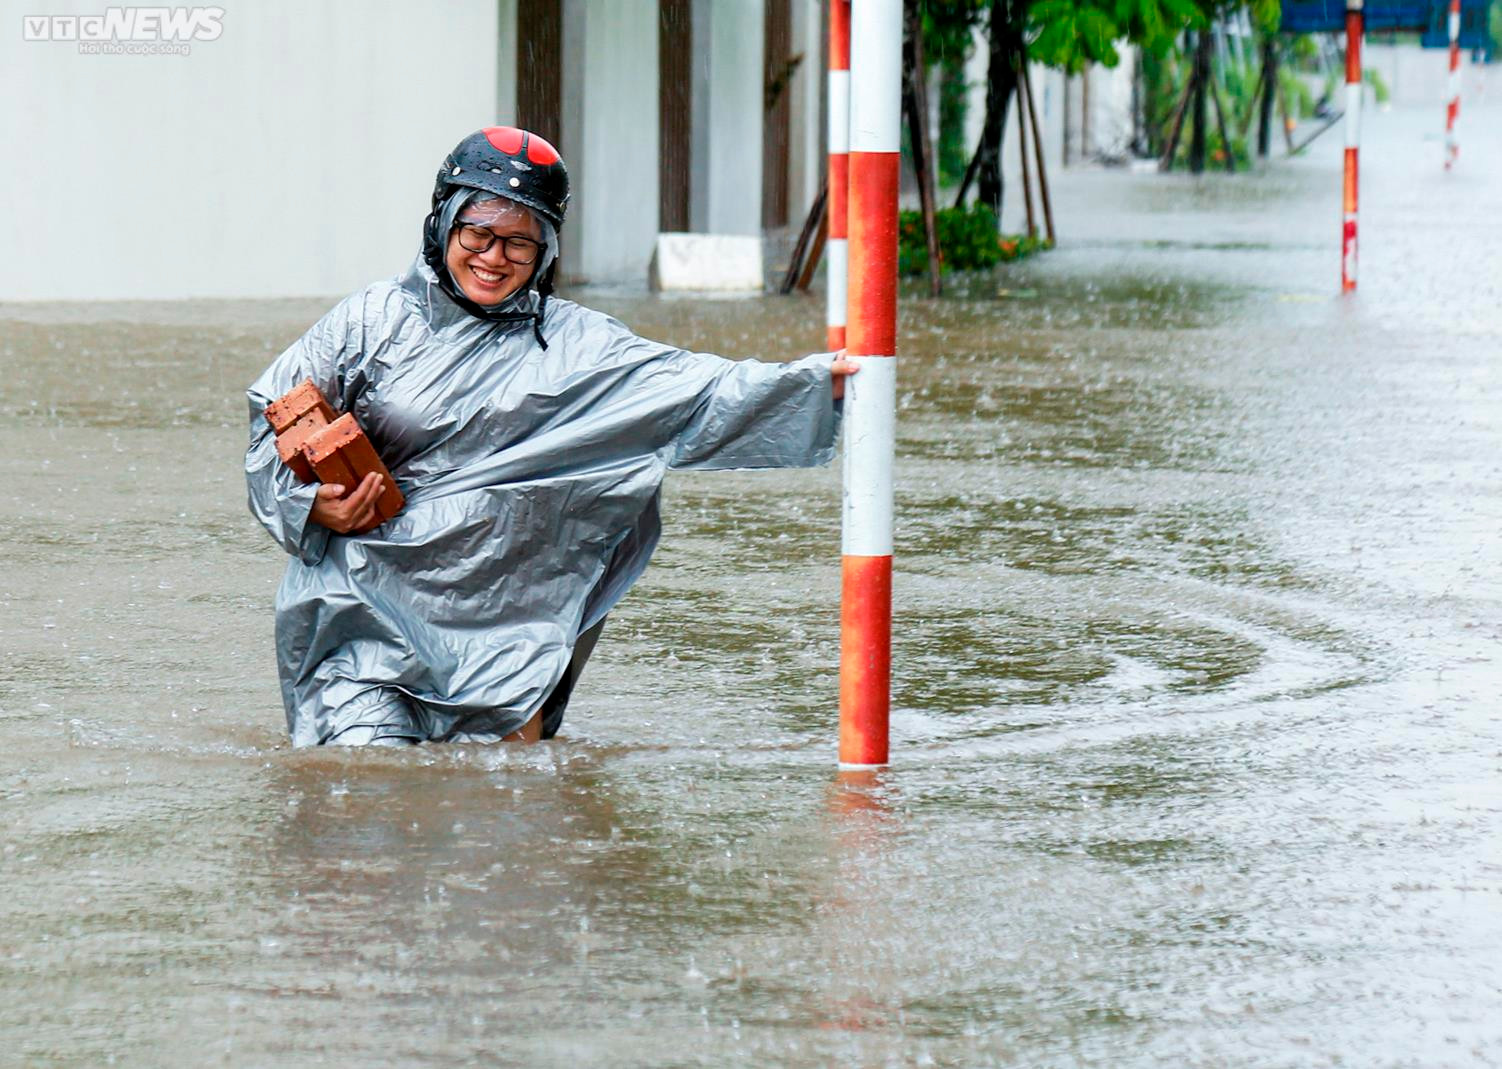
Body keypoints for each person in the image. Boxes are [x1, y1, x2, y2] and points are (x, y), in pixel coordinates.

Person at [246, 126, 855, 747]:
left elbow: (699, 389)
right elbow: (270, 429)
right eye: (477, 232)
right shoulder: (369, 320)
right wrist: (310, 504)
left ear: (547, 253)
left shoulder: (582, 345)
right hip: (360, 617)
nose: (494, 256)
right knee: (362, 792)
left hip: (503, 635)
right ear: (442, 225)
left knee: (510, 818)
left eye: (520, 242)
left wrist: (817, 381)